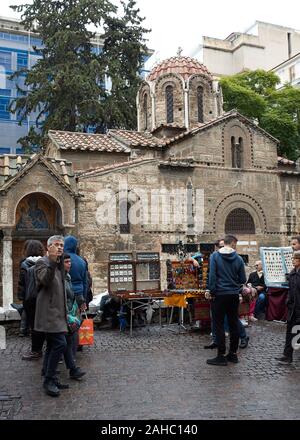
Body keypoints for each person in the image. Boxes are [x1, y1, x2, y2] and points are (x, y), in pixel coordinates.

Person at [34, 235, 70, 397]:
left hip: (59, 312)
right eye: (56, 245)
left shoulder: (59, 264)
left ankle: (50, 376)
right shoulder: (42, 262)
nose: (60, 248)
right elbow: (45, 281)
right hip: (48, 313)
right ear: (48, 247)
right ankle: (48, 379)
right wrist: (52, 261)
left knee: (52, 345)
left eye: (62, 245)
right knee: (60, 344)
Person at [207, 234, 246, 366]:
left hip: (219, 294)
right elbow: (242, 279)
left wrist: (211, 291)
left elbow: (212, 276)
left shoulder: (215, 256)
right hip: (233, 295)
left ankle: (221, 355)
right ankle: (233, 354)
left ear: (224, 243)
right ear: (233, 243)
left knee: (218, 325)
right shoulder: (239, 259)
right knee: (233, 323)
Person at [17, 240, 46, 360]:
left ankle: (36, 351)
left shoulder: (24, 264)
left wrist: (22, 298)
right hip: (43, 298)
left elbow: (21, 284)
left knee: (33, 326)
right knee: (45, 324)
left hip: (30, 300)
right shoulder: (45, 263)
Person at [62, 253, 86, 377]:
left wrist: (80, 301)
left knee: (67, 340)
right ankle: (48, 373)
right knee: (58, 344)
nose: (69, 264)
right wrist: (66, 313)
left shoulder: (68, 277)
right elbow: (61, 297)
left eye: (69, 262)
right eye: (66, 262)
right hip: (62, 314)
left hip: (70, 311)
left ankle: (72, 368)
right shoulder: (60, 278)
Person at [275, 251, 300, 364]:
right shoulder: (293, 273)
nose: (293, 260)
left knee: (297, 332)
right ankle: (287, 356)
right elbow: (290, 290)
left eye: (295, 258)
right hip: (292, 308)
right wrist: (288, 302)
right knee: (290, 332)